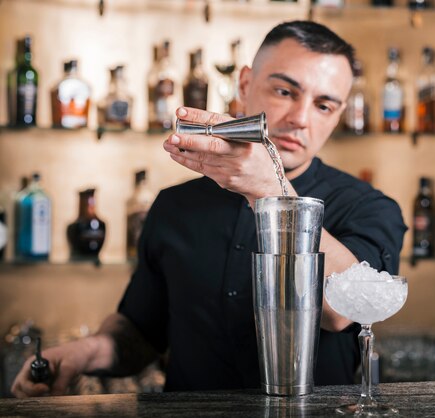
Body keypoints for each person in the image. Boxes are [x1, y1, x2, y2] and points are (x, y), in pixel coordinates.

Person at [11, 20, 407, 397]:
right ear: (246, 84)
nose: (300, 119)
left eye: (324, 106)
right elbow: (140, 334)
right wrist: (82, 354)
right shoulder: (174, 206)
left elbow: (343, 309)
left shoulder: (369, 208)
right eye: (285, 92)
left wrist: (268, 190)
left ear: (339, 115)